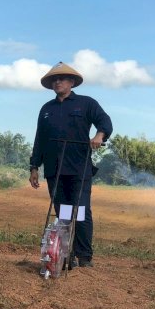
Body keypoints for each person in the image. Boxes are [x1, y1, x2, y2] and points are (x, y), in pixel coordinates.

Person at [29, 62, 113, 268]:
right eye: (54, 80)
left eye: (62, 79)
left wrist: (99, 135)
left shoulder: (86, 103)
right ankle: (65, 254)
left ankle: (84, 256)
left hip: (78, 168)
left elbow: (105, 121)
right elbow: (39, 139)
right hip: (54, 169)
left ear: (72, 82)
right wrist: (34, 167)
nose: (57, 82)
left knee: (81, 211)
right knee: (63, 213)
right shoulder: (46, 109)